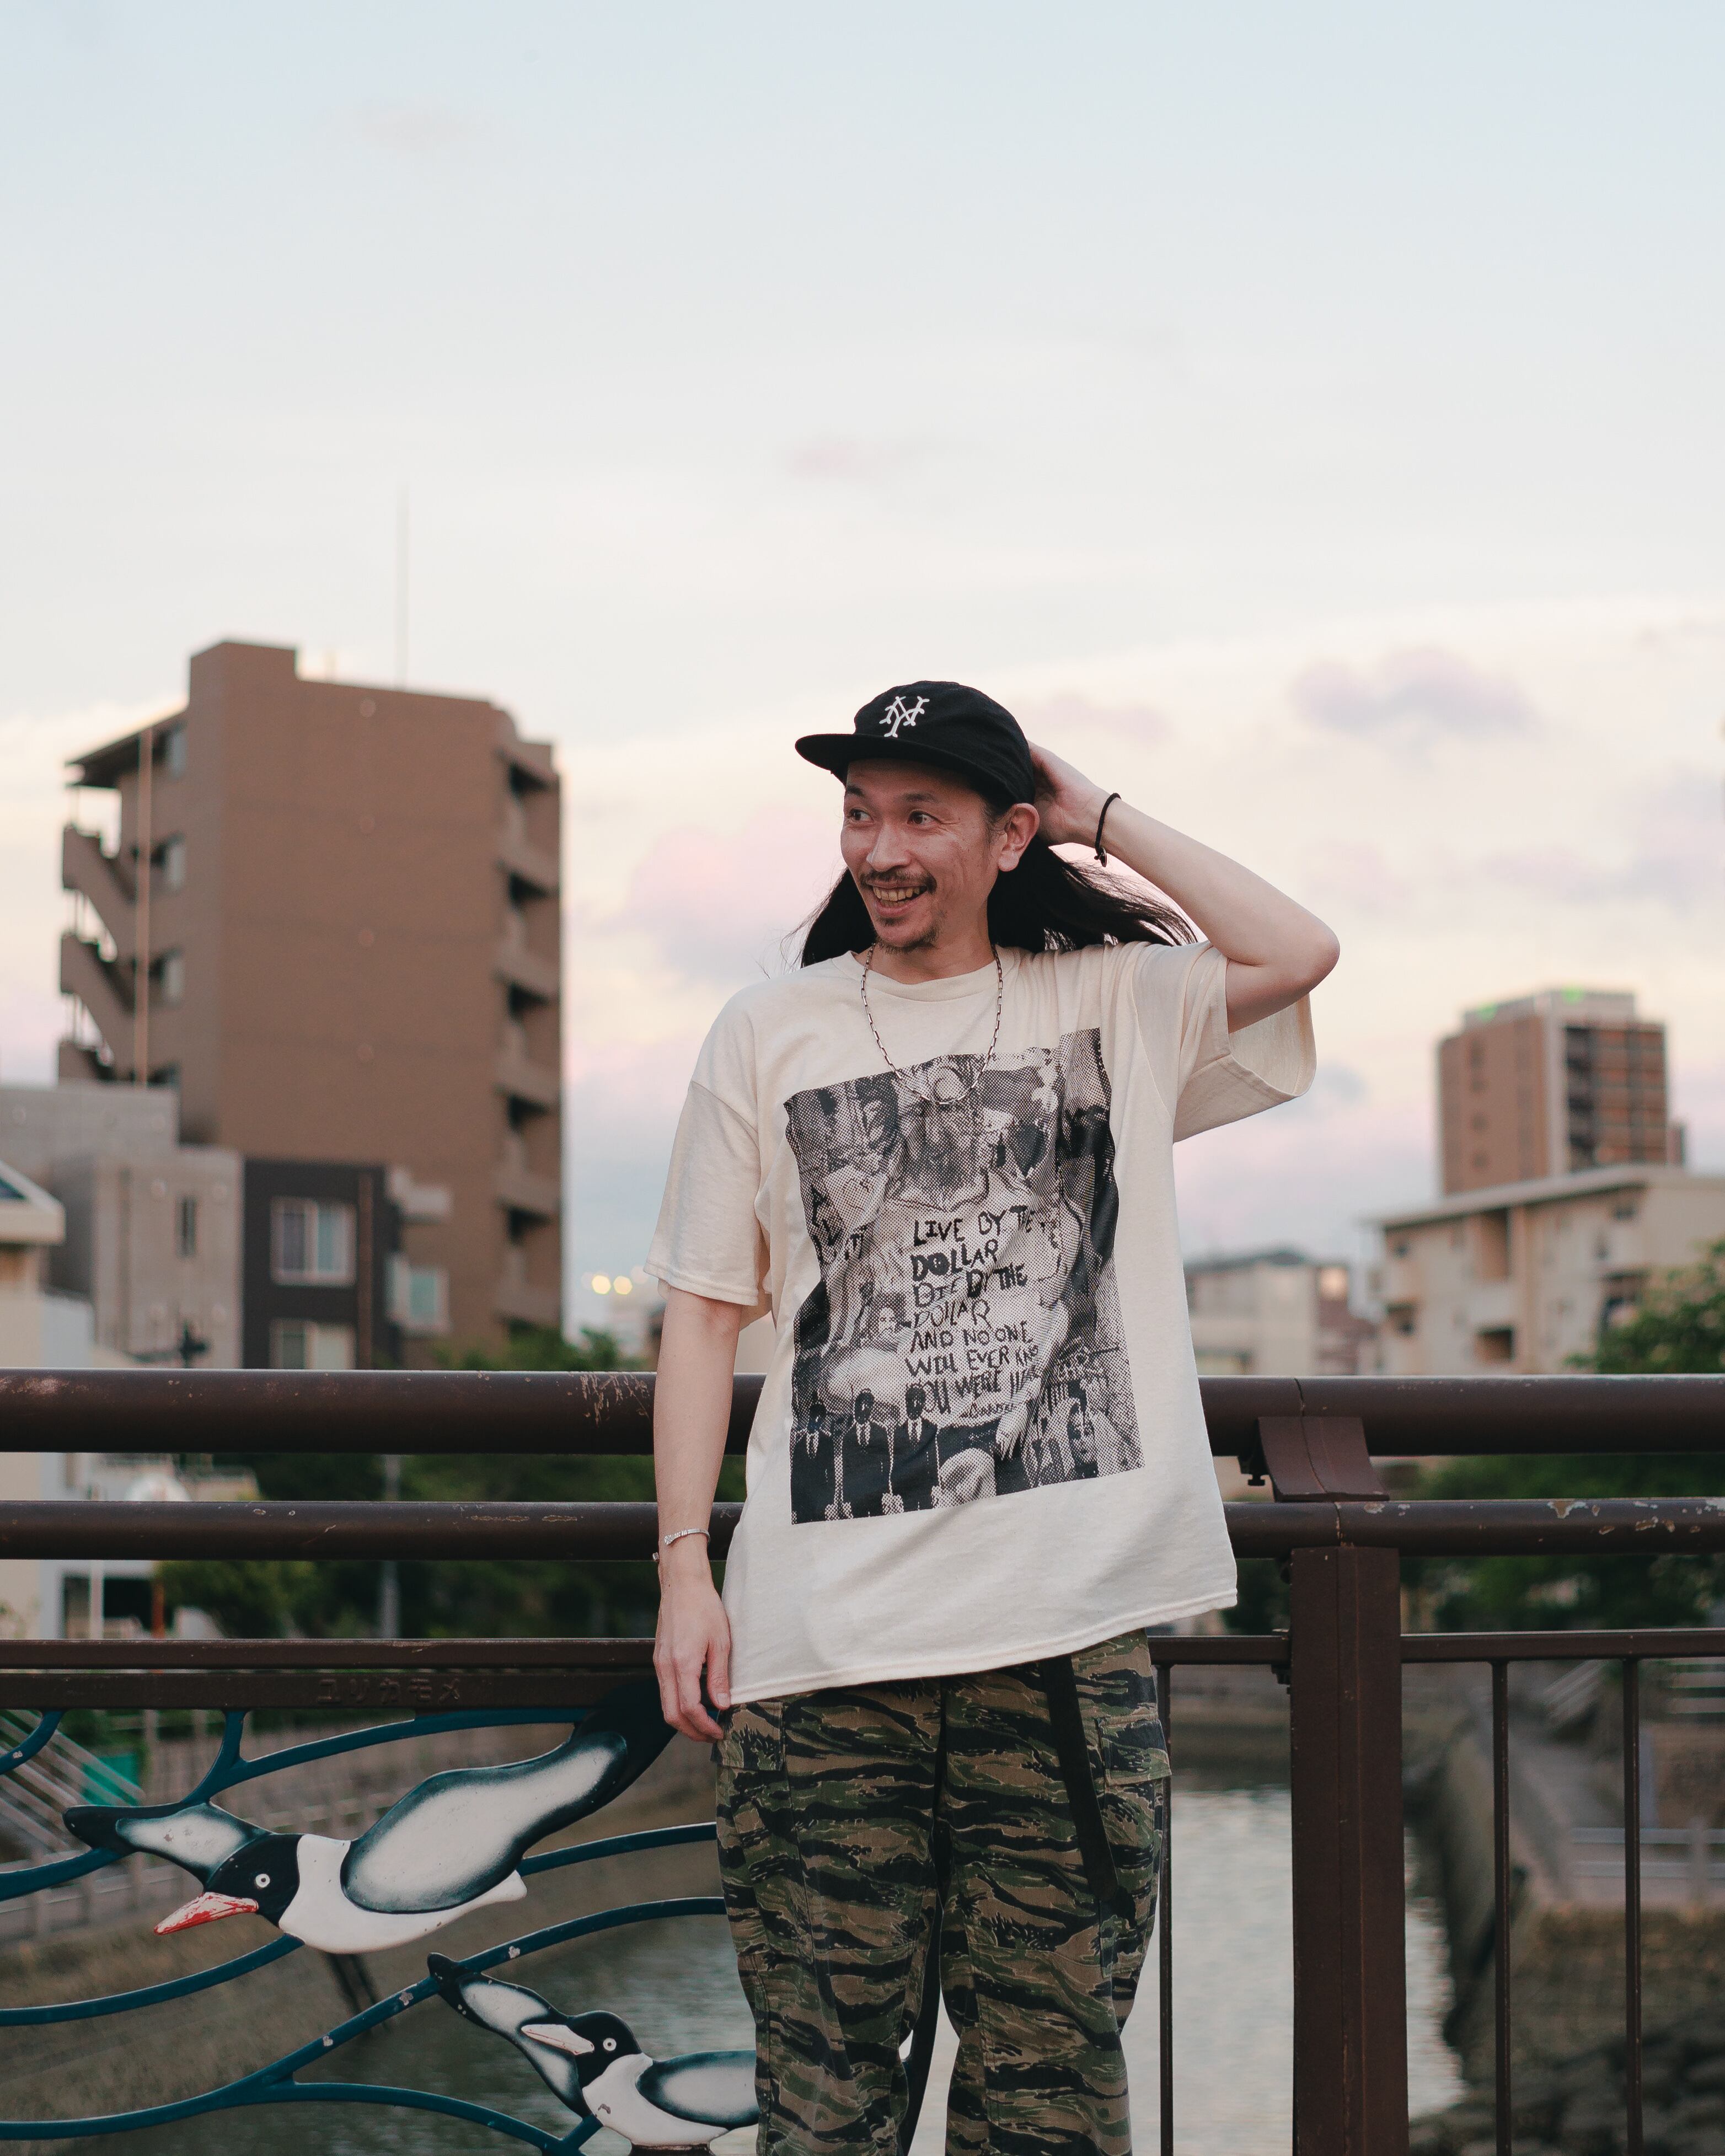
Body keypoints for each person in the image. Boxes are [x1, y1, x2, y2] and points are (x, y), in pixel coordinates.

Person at [648, 680, 1335, 2155]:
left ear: (1009, 835)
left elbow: (1298, 950)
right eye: (859, 814)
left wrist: (1102, 815)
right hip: (824, 1658)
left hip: (1066, 1646)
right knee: (823, 2101)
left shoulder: (1112, 1003)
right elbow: (703, 1312)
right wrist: (684, 1569)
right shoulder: (768, 1031)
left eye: (921, 815)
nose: (880, 850)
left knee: (1049, 2099)